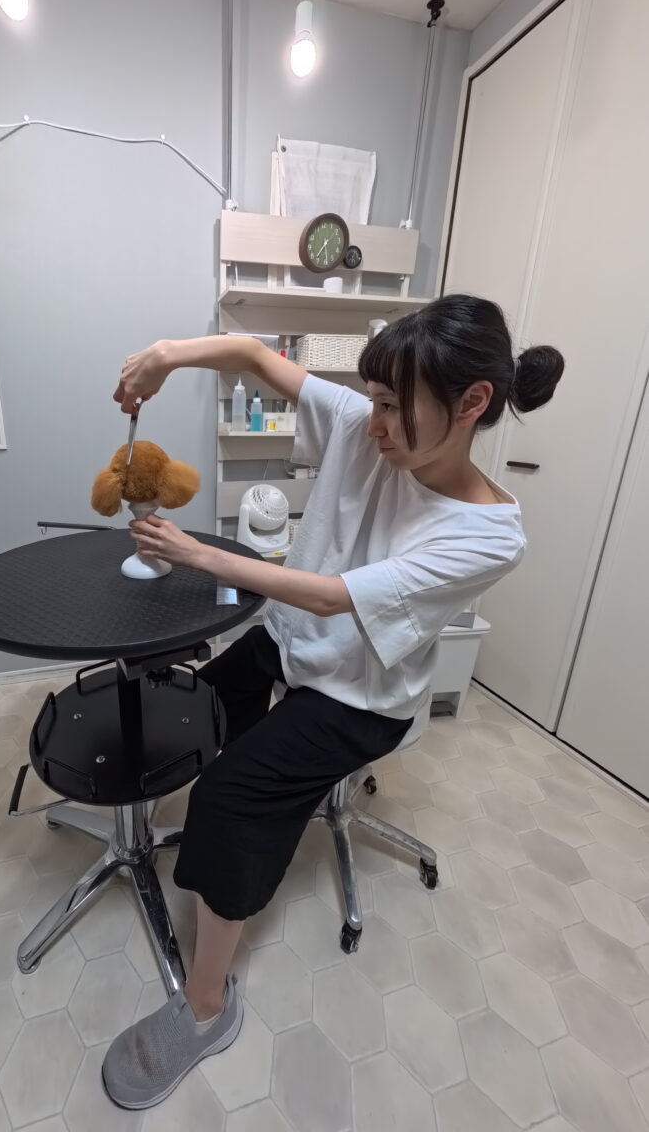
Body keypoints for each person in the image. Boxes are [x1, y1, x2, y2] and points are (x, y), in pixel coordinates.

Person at [101, 294, 565, 1110]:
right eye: (372, 399)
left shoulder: (489, 536)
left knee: (228, 799)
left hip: (361, 696)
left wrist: (200, 554)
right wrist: (165, 355)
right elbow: (253, 356)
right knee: (191, 710)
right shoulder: (366, 425)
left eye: (392, 405)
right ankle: (212, 849)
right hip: (294, 641)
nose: (371, 422)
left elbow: (331, 596)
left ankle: (206, 1007)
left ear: (471, 403)